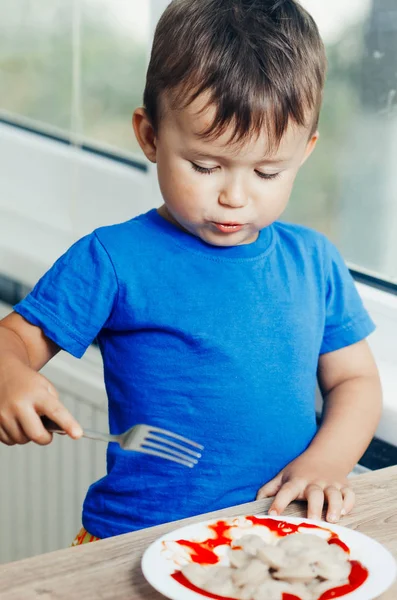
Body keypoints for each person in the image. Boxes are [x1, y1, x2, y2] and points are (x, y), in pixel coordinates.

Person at [0, 0, 382, 544]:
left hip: (274, 535)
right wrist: (9, 377)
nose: (234, 195)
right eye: (205, 165)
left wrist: (328, 462)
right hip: (133, 541)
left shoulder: (314, 261)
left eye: (268, 171)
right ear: (151, 136)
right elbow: (11, 342)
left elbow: (356, 381)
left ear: (305, 154)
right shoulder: (113, 258)